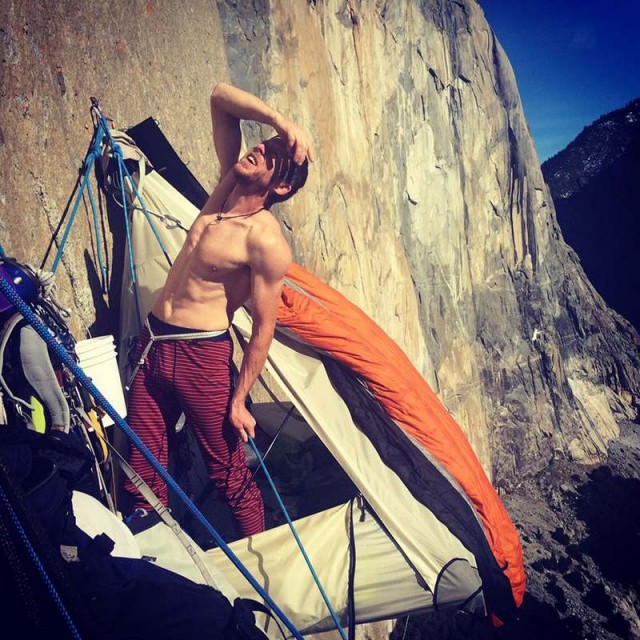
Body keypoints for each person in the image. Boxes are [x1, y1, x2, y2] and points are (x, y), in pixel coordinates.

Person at [123, 82, 314, 537]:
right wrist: (278, 124)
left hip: (200, 358)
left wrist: (240, 399)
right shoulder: (227, 187)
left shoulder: (265, 241)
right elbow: (218, 98)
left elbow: (265, 326)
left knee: (228, 474)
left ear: (282, 185)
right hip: (153, 342)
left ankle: (265, 554)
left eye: (271, 157)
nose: (258, 152)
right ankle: (152, 556)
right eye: (261, 146)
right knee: (142, 461)